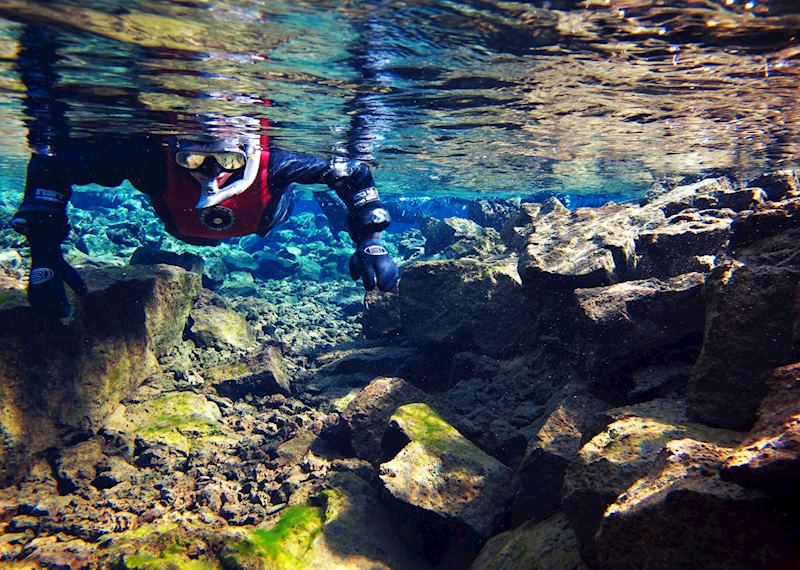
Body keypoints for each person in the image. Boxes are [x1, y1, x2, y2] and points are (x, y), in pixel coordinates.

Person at [11, 125, 400, 320]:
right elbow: (52, 163)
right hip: (185, 227)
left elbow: (353, 173)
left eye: (230, 160)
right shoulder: (152, 161)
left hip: (264, 218)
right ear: (175, 149)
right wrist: (44, 256)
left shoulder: (276, 164)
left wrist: (370, 240)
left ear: (248, 151)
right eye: (194, 160)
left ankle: (313, 199)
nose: (213, 175)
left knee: (292, 189)